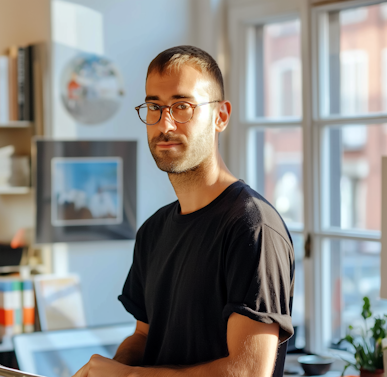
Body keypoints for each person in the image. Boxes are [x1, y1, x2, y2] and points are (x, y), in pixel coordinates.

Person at [73, 45, 294, 377]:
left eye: (182, 106)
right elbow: (145, 336)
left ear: (220, 116)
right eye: (154, 106)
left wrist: (128, 376)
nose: (165, 124)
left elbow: (247, 371)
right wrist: (108, 368)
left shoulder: (252, 226)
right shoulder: (153, 231)